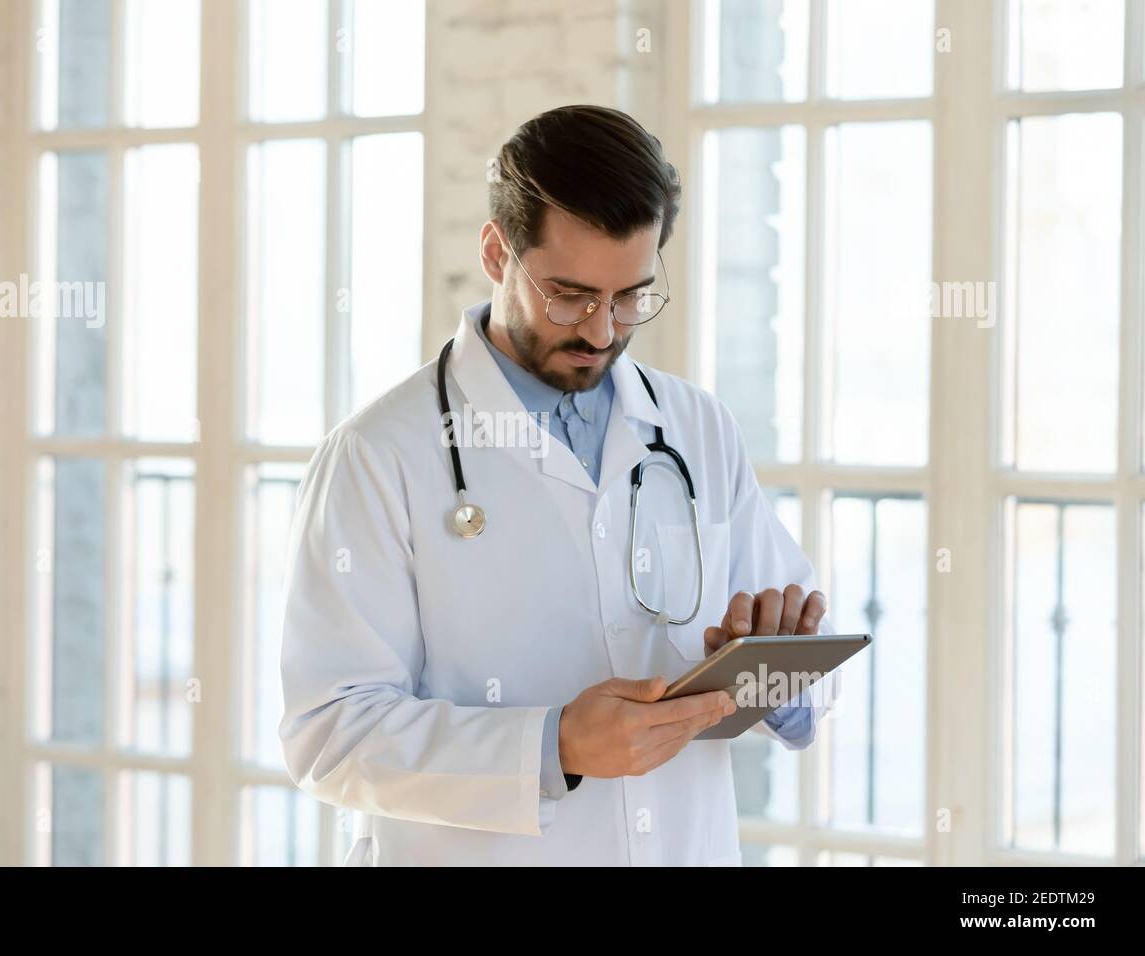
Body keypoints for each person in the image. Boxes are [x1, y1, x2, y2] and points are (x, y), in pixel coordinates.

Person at [279, 105, 835, 866]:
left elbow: (794, 661)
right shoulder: (379, 455)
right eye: (570, 296)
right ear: (495, 251)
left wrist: (774, 670)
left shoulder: (696, 428)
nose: (602, 332)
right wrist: (552, 744)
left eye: (630, 297)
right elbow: (329, 735)